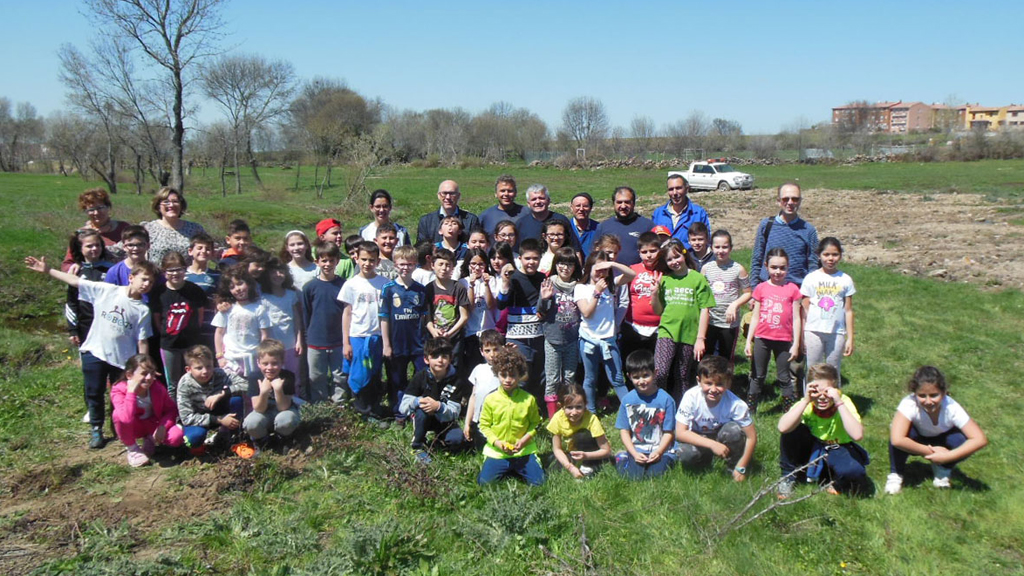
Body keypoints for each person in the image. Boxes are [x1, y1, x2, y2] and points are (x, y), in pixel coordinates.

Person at [25, 254, 156, 449]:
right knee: (93, 392)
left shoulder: (142, 310)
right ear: (131, 277)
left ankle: (119, 426)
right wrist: (48, 270)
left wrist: (144, 365)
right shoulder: (107, 290)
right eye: (143, 279)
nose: (146, 284)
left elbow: (142, 340)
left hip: (121, 360)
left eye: (151, 282)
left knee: (118, 395)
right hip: (94, 351)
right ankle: (96, 428)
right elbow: (76, 281)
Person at [886, 366, 988, 494]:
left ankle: (943, 468)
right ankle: (896, 474)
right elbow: (897, 440)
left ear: (944, 393)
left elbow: (980, 439)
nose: (928, 401)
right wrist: (932, 452)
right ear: (915, 394)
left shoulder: (951, 407)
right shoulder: (909, 404)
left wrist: (947, 457)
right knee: (899, 434)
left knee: (962, 440)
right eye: (922, 396)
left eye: (934, 395)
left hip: (943, 439)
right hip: (918, 438)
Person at [777, 363, 869, 498]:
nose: (821, 397)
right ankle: (788, 477)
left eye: (827, 391)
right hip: (813, 446)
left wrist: (838, 402)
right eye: (816, 391)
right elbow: (783, 427)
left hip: (837, 447)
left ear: (836, 390)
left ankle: (832, 479)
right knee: (792, 429)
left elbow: (857, 435)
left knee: (855, 472)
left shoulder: (843, 402)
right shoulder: (808, 402)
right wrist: (806, 400)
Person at [651, 238, 716, 403]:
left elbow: (705, 309)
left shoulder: (697, 279)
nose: (674, 262)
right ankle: (661, 404)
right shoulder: (665, 280)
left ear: (684, 255)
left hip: (689, 334)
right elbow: (658, 310)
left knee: (682, 375)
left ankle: (681, 409)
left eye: (677, 256)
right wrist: (655, 293)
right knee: (660, 372)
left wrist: (700, 339)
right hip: (667, 331)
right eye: (669, 259)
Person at [674, 356, 756, 482]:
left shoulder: (736, 404)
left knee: (734, 431)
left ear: (728, 383)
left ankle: (732, 466)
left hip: (721, 436)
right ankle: (705, 460)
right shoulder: (690, 397)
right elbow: (680, 433)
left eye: (719, 384)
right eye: (708, 383)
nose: (713, 390)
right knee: (685, 453)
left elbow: (751, 437)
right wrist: (712, 445)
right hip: (698, 437)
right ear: (699, 381)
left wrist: (742, 466)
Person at [576, 250, 636, 413]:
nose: (601, 273)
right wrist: (596, 293)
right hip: (589, 340)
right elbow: (587, 313)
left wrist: (612, 264)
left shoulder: (611, 285)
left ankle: (631, 413)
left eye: (605, 270)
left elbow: (632, 274)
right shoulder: (581, 288)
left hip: (609, 339)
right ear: (590, 268)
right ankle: (591, 412)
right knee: (590, 378)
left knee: (617, 379)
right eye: (598, 269)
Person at [744, 248, 803, 412]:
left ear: (788, 267)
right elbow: (755, 317)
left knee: (784, 377)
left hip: (784, 340)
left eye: (782, 268)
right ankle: (750, 410)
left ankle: (788, 410)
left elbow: (797, 318)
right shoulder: (761, 288)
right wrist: (749, 341)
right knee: (757, 376)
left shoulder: (793, 290)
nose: (778, 271)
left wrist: (796, 343)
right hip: (762, 338)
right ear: (766, 267)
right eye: (774, 267)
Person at [476, 346, 544, 486]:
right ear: (497, 374)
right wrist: (497, 443)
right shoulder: (491, 399)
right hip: (498, 452)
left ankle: (519, 467)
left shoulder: (528, 399)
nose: (508, 380)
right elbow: (483, 426)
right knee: (484, 483)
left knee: (540, 482)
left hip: (524, 451)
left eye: (513, 375)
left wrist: (525, 439)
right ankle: (505, 467)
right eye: (503, 375)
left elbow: (536, 423)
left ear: (520, 376)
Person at [339, 241, 390, 419]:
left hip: (377, 337)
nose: (367, 263)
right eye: (364, 259)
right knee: (360, 373)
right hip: (358, 336)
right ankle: (362, 409)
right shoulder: (351, 284)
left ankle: (375, 407)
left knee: (375, 373)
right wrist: (346, 342)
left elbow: (386, 314)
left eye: (371, 260)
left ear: (378, 261)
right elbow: (347, 313)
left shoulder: (384, 284)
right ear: (357, 259)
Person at [399, 337, 470, 462]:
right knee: (421, 412)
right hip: (423, 417)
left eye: (444, 356)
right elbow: (403, 406)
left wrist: (438, 407)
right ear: (426, 359)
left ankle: (437, 440)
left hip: (445, 420)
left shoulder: (457, 380)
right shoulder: (420, 376)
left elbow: (455, 412)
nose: (440, 360)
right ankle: (418, 445)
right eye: (435, 356)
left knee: (457, 441)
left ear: (450, 359)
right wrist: (417, 402)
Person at [496, 238, 546, 407]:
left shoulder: (542, 278)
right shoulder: (514, 277)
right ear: (520, 259)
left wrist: (544, 305)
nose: (531, 262)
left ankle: (535, 410)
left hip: (539, 336)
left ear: (540, 259)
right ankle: (515, 409)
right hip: (518, 337)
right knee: (521, 375)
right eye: (527, 258)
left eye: (535, 258)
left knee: (540, 375)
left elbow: (546, 306)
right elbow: (501, 303)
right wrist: (505, 282)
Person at [381, 245, 430, 420]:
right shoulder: (389, 289)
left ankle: (418, 411)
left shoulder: (421, 290)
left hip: (418, 343)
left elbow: (425, 318)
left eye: (409, 264)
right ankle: (399, 412)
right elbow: (384, 318)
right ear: (395, 265)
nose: (405, 267)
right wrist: (386, 344)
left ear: (415, 265)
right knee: (397, 380)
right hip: (396, 343)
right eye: (401, 264)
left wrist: (427, 342)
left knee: (421, 379)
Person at [110, 354, 184, 467]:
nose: (149, 377)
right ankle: (133, 449)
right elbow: (125, 418)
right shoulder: (118, 390)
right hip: (133, 427)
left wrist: (163, 426)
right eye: (144, 374)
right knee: (118, 415)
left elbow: (171, 410)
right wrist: (131, 392)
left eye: (152, 373)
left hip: (152, 424)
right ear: (129, 375)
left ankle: (150, 439)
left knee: (176, 437)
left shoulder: (157, 388)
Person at [614, 350, 678, 480]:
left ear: (655, 373)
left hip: (661, 449)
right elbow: (624, 431)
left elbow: (669, 432)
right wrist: (634, 453)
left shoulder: (666, 400)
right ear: (629, 376)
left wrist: (659, 451)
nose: (641, 381)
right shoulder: (627, 400)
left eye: (646, 375)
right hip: (638, 448)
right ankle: (622, 458)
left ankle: (668, 459)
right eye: (636, 377)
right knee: (632, 477)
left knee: (654, 476)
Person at [176, 345, 249, 455]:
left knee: (236, 400)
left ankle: (235, 439)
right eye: (199, 368)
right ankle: (198, 445)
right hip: (199, 417)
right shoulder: (184, 384)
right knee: (194, 438)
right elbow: (187, 417)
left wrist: (222, 394)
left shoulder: (220, 373)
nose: (205, 371)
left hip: (219, 409)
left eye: (209, 366)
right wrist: (219, 419)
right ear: (188, 369)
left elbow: (246, 385)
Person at [801, 237, 856, 381]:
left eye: (835, 254)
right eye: (826, 254)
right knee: (814, 370)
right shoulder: (811, 278)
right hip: (813, 331)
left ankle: (833, 401)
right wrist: (802, 335)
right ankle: (810, 401)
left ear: (840, 256)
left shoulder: (845, 280)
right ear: (819, 255)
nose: (830, 259)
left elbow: (848, 311)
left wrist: (850, 338)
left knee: (833, 370)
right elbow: (804, 308)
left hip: (836, 333)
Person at [155, 251, 208, 399]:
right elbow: (158, 319)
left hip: (191, 344)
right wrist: (166, 334)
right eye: (170, 270)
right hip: (169, 345)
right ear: (164, 272)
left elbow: (200, 315)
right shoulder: (159, 293)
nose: (175, 273)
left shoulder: (194, 290)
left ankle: (194, 409)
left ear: (185, 269)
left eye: (179, 269)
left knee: (194, 378)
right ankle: (175, 415)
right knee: (173, 383)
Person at [537, 247, 581, 417]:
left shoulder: (578, 285)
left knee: (570, 376)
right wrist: (545, 298)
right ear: (556, 264)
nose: (565, 267)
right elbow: (540, 312)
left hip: (572, 339)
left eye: (570, 264)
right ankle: (553, 416)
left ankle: (568, 411)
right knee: (553, 379)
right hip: (553, 339)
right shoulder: (549, 283)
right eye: (562, 263)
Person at [750, 182, 819, 290]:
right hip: (768, 288)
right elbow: (757, 259)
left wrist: (809, 293)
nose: (790, 203)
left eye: (795, 199)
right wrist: (754, 289)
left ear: (800, 201)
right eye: (785, 199)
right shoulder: (766, 225)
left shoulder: (808, 230)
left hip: (797, 291)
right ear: (778, 201)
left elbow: (813, 264)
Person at [303, 242, 346, 404]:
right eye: (324, 261)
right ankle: (319, 402)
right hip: (316, 340)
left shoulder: (344, 285)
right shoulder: (310, 287)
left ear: (337, 262)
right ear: (317, 262)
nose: (327, 264)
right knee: (316, 375)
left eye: (331, 260)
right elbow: (306, 314)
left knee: (339, 374)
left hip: (338, 340)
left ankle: (339, 401)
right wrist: (308, 338)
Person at [702, 229, 751, 360]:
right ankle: (704, 380)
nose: (721, 250)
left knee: (725, 357)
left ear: (731, 248)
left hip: (729, 323)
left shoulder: (738, 269)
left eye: (725, 247)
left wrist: (734, 304)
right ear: (711, 247)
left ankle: (725, 380)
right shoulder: (706, 268)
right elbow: (701, 293)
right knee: (706, 356)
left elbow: (748, 293)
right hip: (709, 320)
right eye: (717, 247)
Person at [213, 267, 270, 377]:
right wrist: (220, 356)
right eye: (232, 287)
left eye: (240, 284)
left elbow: (264, 335)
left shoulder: (259, 308)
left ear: (248, 284)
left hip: (253, 357)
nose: (237, 289)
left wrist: (263, 356)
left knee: (253, 390)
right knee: (232, 389)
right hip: (230, 358)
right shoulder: (226, 308)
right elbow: (219, 333)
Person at [64, 230, 117, 349]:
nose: (94, 249)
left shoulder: (112, 270)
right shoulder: (76, 272)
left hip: (110, 324)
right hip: (86, 326)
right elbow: (71, 302)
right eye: (89, 246)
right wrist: (73, 330)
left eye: (97, 245)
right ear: (80, 249)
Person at [547, 381, 612, 478]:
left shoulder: (591, 419)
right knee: (551, 465)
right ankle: (576, 466)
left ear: (585, 405)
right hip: (571, 452)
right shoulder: (557, 419)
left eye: (579, 407)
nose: (574, 412)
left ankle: (589, 466)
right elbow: (557, 449)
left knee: (582, 435)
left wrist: (586, 456)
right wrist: (570, 467)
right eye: (569, 407)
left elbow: (606, 451)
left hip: (590, 453)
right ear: (561, 406)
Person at [243, 339, 301, 445]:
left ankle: (284, 438)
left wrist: (278, 390)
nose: (269, 368)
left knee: (286, 419)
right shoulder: (254, 377)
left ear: (282, 362)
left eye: (274, 363)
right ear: (258, 363)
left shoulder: (287, 376)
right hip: (263, 411)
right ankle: (261, 441)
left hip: (282, 409)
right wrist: (264, 392)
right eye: (265, 364)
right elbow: (258, 409)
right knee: (251, 422)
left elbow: (283, 407)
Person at [620, 231, 663, 367]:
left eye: (653, 251)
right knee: (632, 364)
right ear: (639, 252)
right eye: (644, 252)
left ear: (660, 250)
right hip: (633, 327)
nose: (649, 255)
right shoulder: (632, 270)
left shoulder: (665, 271)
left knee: (654, 366)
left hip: (658, 328)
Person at [425, 248, 471, 376]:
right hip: (434, 337)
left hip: (454, 338)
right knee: (435, 367)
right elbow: (427, 317)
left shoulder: (458, 288)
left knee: (454, 367)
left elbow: (464, 316)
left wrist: (449, 333)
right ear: (432, 265)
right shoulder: (429, 289)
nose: (444, 268)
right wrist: (433, 331)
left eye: (448, 265)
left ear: (453, 267)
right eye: (440, 264)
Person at [62, 188, 129, 271]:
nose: (96, 213)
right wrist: (75, 267)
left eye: (100, 208)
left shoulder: (124, 228)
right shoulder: (81, 234)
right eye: (91, 210)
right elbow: (67, 263)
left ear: (108, 207)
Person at [259, 258, 304, 380]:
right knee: (272, 374)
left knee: (292, 374)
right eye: (274, 272)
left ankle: (293, 398)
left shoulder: (291, 294)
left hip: (290, 343)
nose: (278, 275)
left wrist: (299, 340)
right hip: (271, 345)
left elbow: (297, 320)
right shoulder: (263, 297)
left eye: (281, 272)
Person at [143, 186, 207, 266]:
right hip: (156, 277)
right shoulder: (148, 229)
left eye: (175, 201)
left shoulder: (195, 229)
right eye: (166, 202)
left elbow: (212, 250)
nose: (171, 205)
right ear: (158, 206)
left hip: (187, 277)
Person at [464, 329, 505, 450]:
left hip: (499, 422)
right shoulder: (479, 369)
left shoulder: (506, 371)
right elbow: (473, 396)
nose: (492, 354)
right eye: (487, 351)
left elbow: (523, 375)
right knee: (479, 450)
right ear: (481, 352)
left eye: (496, 349)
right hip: (479, 420)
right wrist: (467, 422)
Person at [594, 186, 654, 266]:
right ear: (613, 203)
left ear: (633, 203)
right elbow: (594, 254)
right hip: (610, 275)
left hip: (639, 276)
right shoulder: (603, 227)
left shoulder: (647, 226)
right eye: (619, 202)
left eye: (627, 202)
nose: (623, 206)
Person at [458, 248, 497, 371]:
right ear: (468, 265)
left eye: (481, 264)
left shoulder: (491, 280)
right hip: (471, 332)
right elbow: (470, 306)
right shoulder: (462, 282)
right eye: (473, 264)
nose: (477, 267)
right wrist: (471, 285)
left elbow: (491, 305)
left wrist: (486, 284)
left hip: (488, 329)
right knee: (473, 367)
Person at [651, 175, 711, 251]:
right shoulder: (658, 213)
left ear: (687, 189)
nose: (675, 193)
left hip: (690, 260)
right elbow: (652, 241)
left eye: (678, 188)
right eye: (671, 189)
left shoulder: (698, 213)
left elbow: (706, 241)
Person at [514, 184, 574, 252]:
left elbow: (575, 249)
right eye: (534, 199)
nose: (538, 202)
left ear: (548, 201)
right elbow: (515, 252)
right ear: (528, 203)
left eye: (541, 198)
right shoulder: (521, 224)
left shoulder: (562, 220)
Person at [416, 179, 479, 244]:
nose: (448, 197)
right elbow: (421, 249)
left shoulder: (471, 220)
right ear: (438, 195)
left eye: (452, 193)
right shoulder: (426, 221)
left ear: (458, 196)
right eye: (444, 193)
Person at [105, 225, 151, 291]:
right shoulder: (115, 272)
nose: (135, 248)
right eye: (130, 245)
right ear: (124, 247)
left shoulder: (155, 271)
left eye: (140, 244)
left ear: (148, 246)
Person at [568, 192, 599, 259]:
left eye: (585, 206)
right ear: (571, 207)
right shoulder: (565, 227)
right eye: (578, 206)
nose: (581, 209)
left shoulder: (599, 228)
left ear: (591, 208)